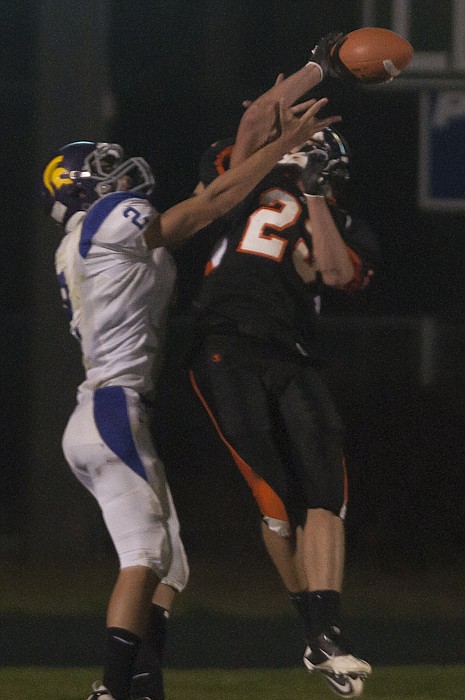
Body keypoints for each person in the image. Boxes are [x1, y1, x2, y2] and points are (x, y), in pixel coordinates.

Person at [41, 94, 341, 700]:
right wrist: (284, 147)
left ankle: (144, 687)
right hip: (112, 407)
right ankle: (110, 688)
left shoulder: (82, 241)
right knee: (145, 554)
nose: (121, 174)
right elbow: (213, 202)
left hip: (102, 412)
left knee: (169, 564)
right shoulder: (107, 222)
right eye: (105, 170)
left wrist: (310, 77)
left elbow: (239, 144)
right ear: (81, 190)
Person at [187, 115, 377, 695]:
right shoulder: (250, 180)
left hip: (291, 354)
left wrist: (316, 193)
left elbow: (339, 271)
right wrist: (278, 120)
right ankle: (313, 628)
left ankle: (327, 634)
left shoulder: (342, 222)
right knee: (275, 502)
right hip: (224, 340)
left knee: (326, 495)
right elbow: (218, 175)